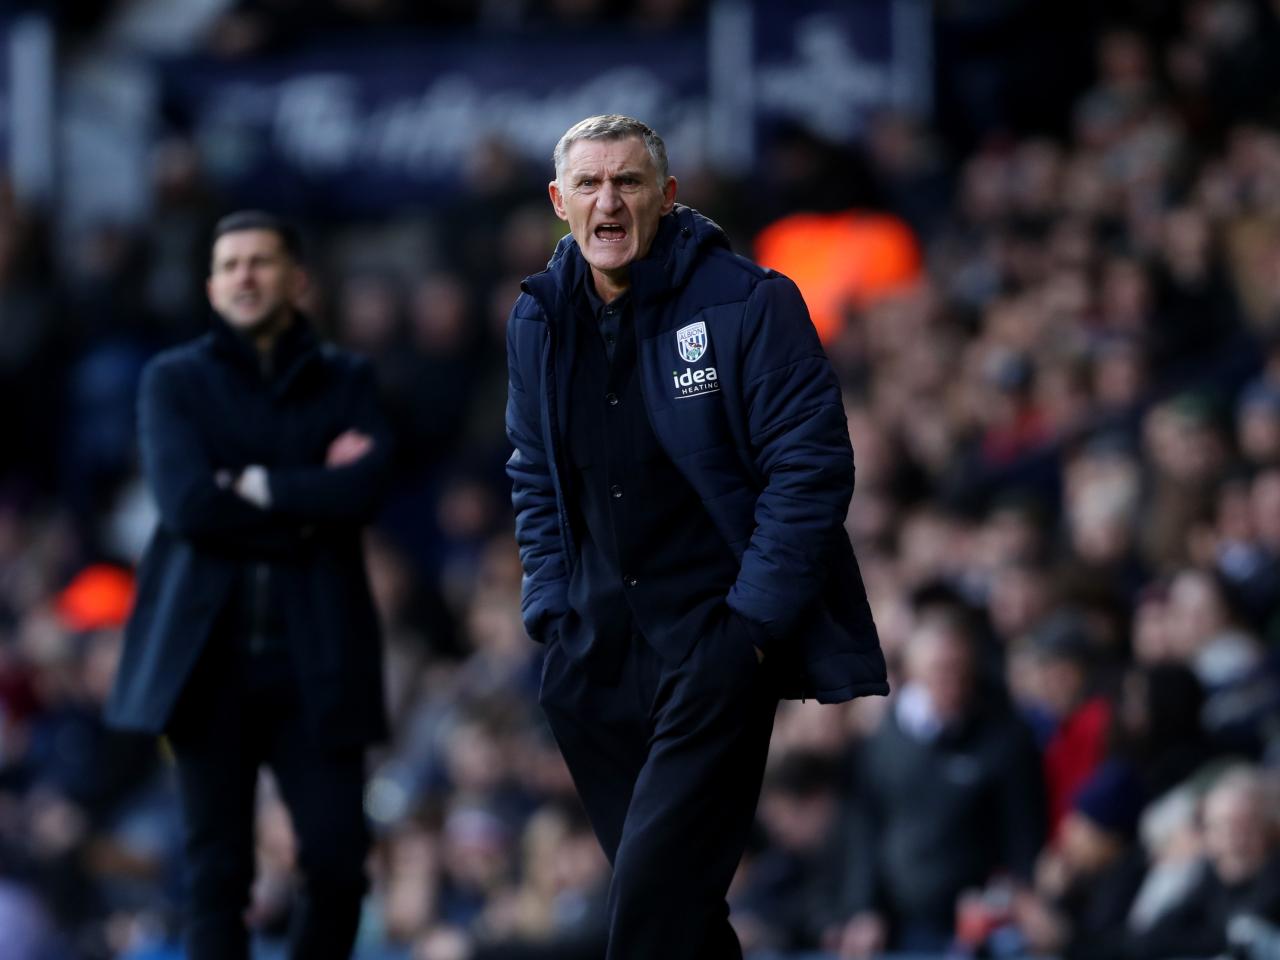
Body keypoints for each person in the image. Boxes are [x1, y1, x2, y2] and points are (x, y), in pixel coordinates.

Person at [505, 114, 887, 959]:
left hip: (711, 648)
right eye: (591, 184)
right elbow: (533, 473)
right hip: (593, 657)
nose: (610, 201)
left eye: (630, 182)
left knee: (645, 919)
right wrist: (551, 608)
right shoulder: (535, 320)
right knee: (681, 921)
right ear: (559, 201)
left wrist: (748, 630)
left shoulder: (750, 301)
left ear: (668, 197)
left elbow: (812, 468)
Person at [106, 211, 393, 959]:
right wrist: (307, 495)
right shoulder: (173, 381)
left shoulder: (347, 378)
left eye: (260, 262)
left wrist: (253, 484)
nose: (244, 276)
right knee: (216, 877)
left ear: (298, 282)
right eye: (229, 264)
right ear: (209, 285)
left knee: (336, 864)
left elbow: (363, 493)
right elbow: (187, 503)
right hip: (209, 666)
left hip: (319, 661)